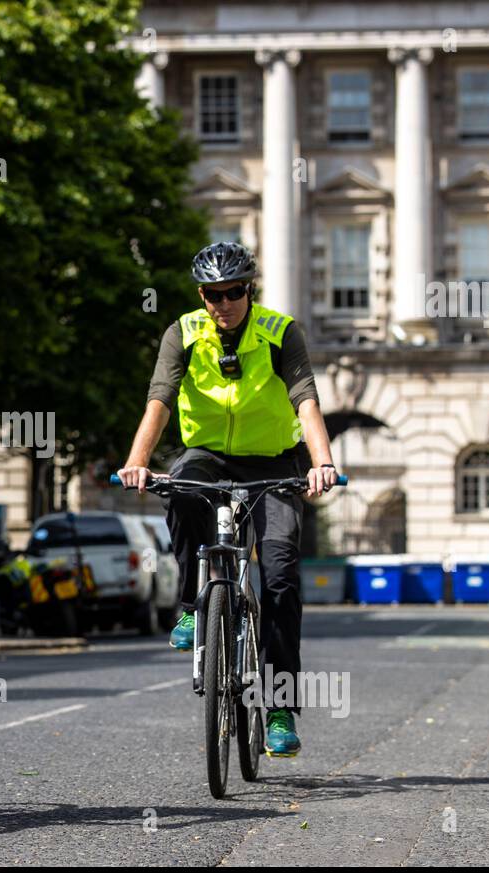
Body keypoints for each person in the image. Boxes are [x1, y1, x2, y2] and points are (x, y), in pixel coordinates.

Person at [117, 241, 337, 757]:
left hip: (274, 461)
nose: (225, 302)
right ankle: (195, 607)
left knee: (280, 574)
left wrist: (321, 461)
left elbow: (305, 398)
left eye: (234, 291)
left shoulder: (281, 333)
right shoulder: (183, 333)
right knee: (180, 485)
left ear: (249, 289)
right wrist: (137, 461)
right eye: (214, 294)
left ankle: (280, 709)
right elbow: (160, 398)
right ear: (202, 295)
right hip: (208, 453)